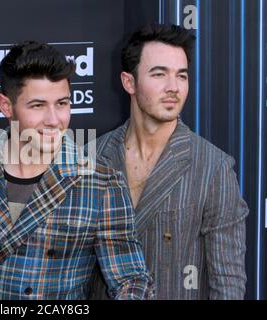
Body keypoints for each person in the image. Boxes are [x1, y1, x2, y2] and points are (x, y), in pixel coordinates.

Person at [0, 41, 154, 299]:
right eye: (38, 106)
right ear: (6, 106)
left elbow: (131, 278)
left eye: (62, 103)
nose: (53, 119)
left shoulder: (101, 184)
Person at [88, 23, 248, 300]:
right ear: (129, 82)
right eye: (159, 74)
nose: (173, 87)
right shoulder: (91, 157)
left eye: (181, 76)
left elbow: (228, 283)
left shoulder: (213, 168)